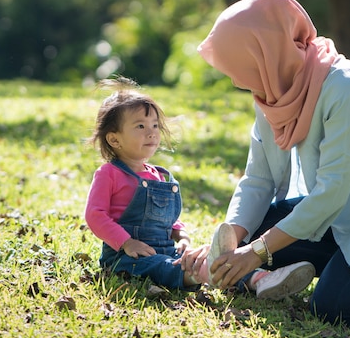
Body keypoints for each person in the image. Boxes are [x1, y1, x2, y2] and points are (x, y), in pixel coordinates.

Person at [188, 0, 350, 326]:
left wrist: (257, 252)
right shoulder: (273, 92)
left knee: (335, 308)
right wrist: (233, 238)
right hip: (347, 209)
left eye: (240, 66)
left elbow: (332, 190)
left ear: (265, 54)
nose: (235, 80)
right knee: (256, 230)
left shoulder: (346, 86)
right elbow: (258, 178)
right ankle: (349, 264)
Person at [85, 76, 314, 297]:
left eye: (155, 125)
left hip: (165, 249)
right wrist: (126, 242)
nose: (152, 131)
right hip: (126, 257)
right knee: (166, 267)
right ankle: (210, 275)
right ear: (114, 139)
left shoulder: (159, 175)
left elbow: (165, 219)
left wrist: (181, 235)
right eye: (140, 126)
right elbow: (95, 215)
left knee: (193, 259)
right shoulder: (109, 174)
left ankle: (261, 279)